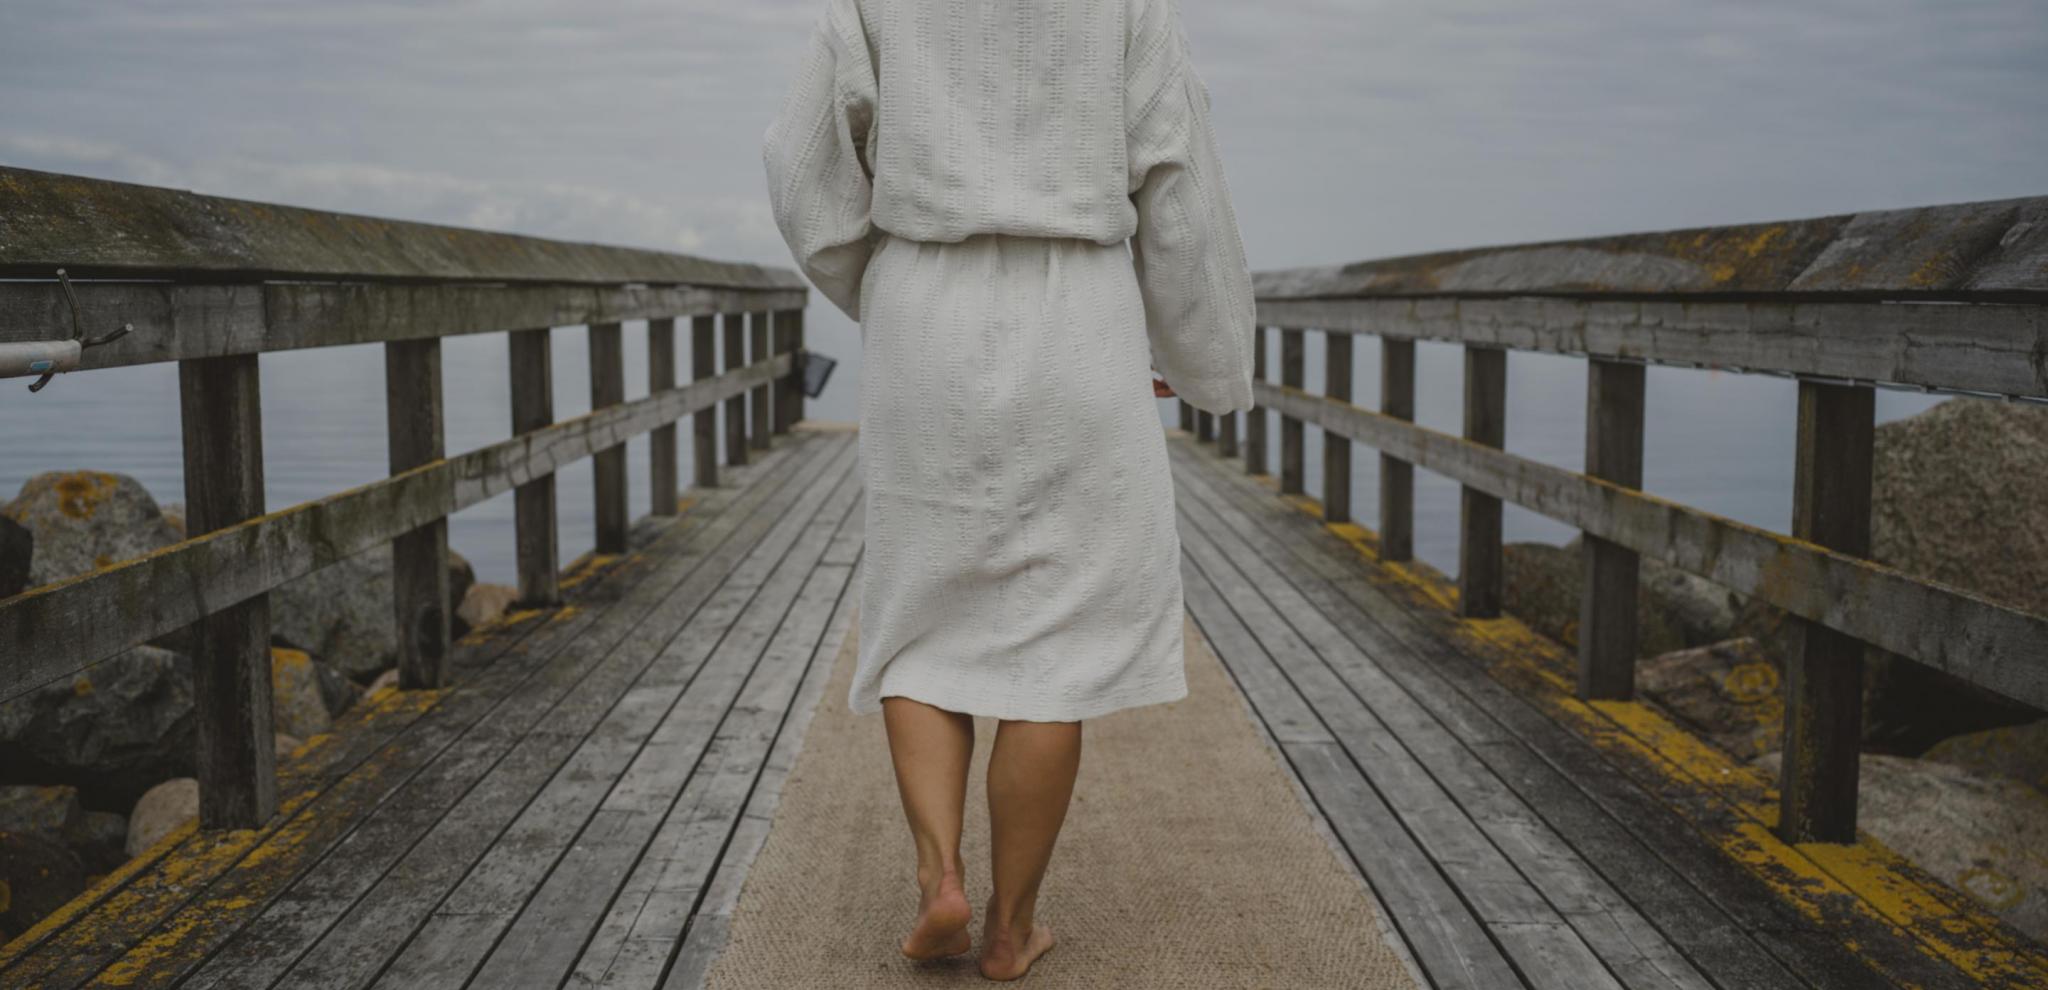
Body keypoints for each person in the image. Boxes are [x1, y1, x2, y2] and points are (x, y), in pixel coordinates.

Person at [762, 0, 1254, 979]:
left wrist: (886, 289)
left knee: (920, 615)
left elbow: (803, 169)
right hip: (1078, 312)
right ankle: (1007, 927)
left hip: (921, 310)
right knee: (1054, 635)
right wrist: (1204, 363)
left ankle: (937, 875)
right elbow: (1177, 185)